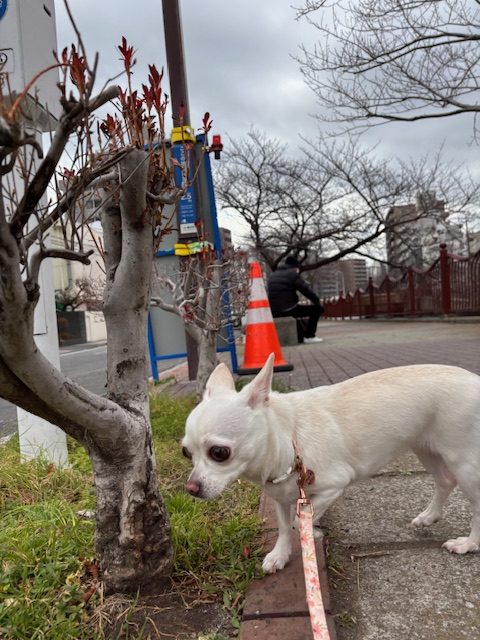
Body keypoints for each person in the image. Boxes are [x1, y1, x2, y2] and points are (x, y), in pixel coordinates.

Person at [267, 256, 324, 344]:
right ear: (295, 267)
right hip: (287, 308)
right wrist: (317, 301)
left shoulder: (273, 274)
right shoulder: (292, 274)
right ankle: (309, 336)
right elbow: (305, 290)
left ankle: (302, 334)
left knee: (298, 310)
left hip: (273, 311)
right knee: (317, 309)